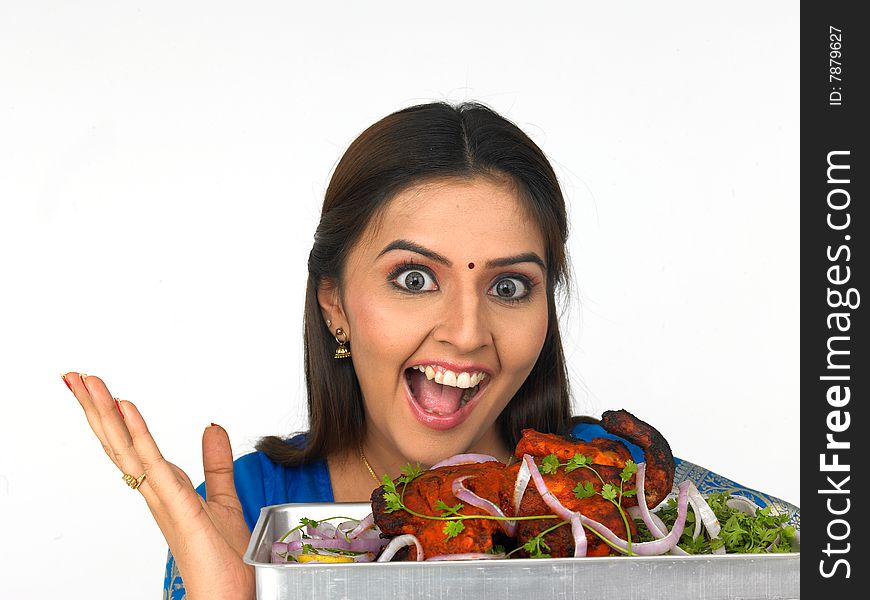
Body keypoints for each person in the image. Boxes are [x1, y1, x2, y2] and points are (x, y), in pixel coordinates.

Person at [61, 102, 798, 600]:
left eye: (510, 286)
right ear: (334, 302)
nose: (469, 332)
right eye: (414, 278)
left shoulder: (624, 487)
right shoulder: (251, 513)